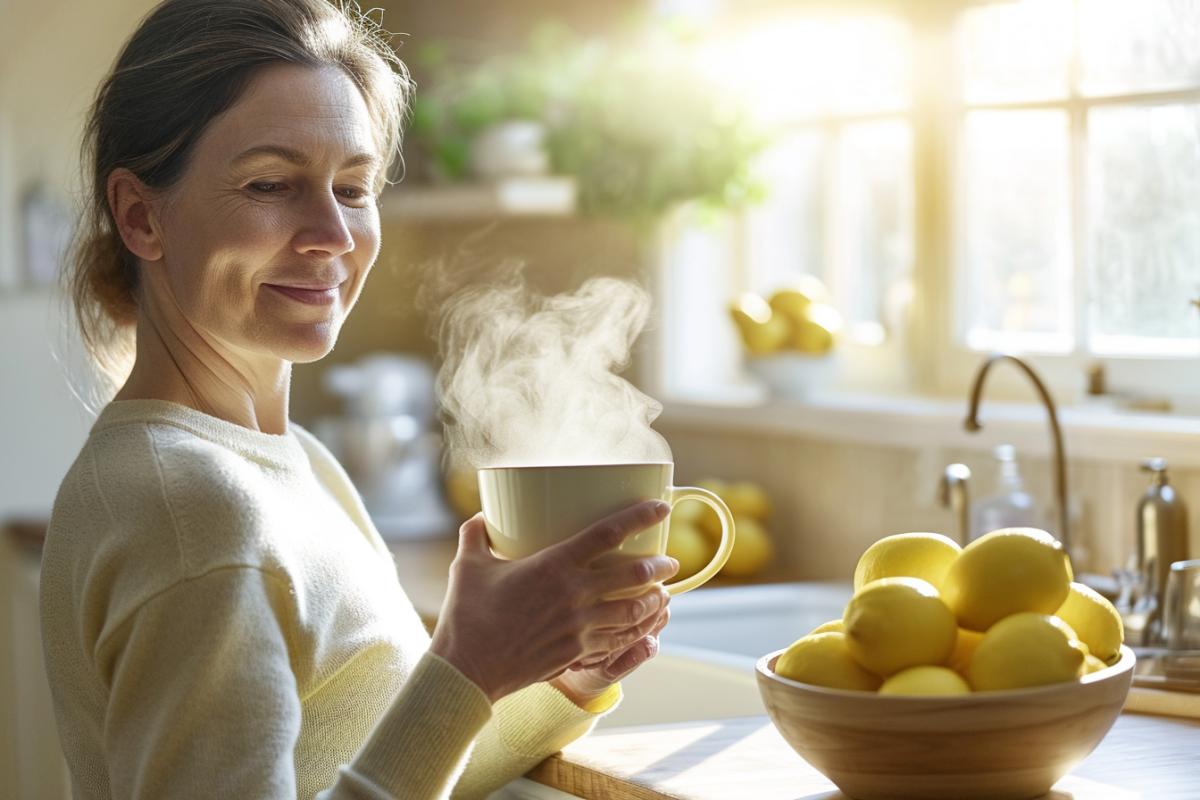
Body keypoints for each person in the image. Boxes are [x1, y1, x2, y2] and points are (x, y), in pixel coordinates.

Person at [39, 1, 678, 798]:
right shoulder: (195, 509)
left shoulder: (290, 462)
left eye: (352, 187)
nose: (333, 235)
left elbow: (387, 770)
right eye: (271, 184)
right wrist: (469, 665)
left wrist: (563, 679)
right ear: (141, 216)